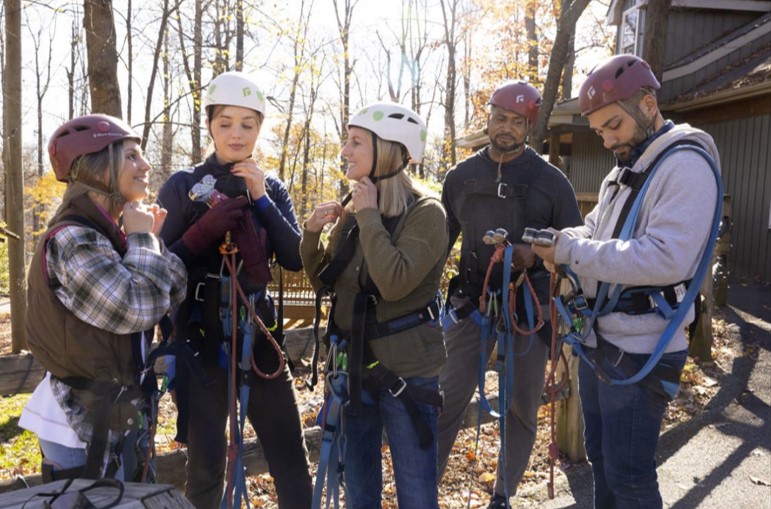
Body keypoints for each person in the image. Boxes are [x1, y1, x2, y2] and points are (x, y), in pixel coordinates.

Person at [532, 54, 722, 509]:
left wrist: (570, 252)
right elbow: (596, 229)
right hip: (605, 342)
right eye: (600, 132)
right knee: (600, 458)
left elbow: (666, 258)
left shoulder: (685, 166)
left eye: (614, 125)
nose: (608, 139)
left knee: (630, 476)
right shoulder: (625, 169)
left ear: (649, 104)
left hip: (643, 347)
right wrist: (559, 239)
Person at [157, 71, 312, 509]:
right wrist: (199, 229)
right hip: (202, 337)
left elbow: (296, 257)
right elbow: (162, 263)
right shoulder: (184, 186)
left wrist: (261, 197)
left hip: (259, 335)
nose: (236, 134)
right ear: (209, 126)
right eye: (225, 123)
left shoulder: (272, 186)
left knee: (288, 454)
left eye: (248, 124)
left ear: (260, 128)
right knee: (205, 463)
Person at [438, 80, 583, 508]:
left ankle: (503, 495)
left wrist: (534, 257)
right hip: (472, 303)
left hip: (530, 308)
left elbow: (573, 247)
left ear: (528, 126)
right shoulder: (460, 178)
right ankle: (421, 487)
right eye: (500, 118)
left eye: (516, 122)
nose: (506, 128)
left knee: (521, 407)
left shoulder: (551, 183)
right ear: (488, 118)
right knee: (447, 399)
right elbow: (439, 241)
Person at [21, 114, 187, 482]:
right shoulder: (72, 240)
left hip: (120, 413)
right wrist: (145, 244)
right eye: (130, 156)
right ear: (97, 169)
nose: (145, 165)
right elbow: (138, 309)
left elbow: (175, 290)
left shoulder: (115, 233)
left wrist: (150, 242)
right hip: (80, 425)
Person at [301, 102, 448, 509]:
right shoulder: (355, 208)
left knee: (416, 494)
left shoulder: (427, 213)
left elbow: (394, 282)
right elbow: (328, 283)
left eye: (355, 142)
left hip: (407, 375)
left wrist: (367, 217)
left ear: (386, 148)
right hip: (354, 371)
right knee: (360, 490)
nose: (345, 151)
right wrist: (312, 235)